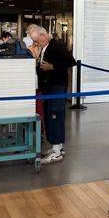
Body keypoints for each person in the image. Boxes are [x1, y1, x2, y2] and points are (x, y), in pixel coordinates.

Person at [30, 26, 76, 164]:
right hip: (49, 87)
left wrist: (52, 67)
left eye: (37, 41)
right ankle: (57, 147)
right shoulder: (47, 47)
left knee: (55, 115)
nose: (36, 44)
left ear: (43, 36)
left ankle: (57, 150)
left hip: (57, 86)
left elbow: (71, 61)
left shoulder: (57, 46)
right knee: (50, 115)